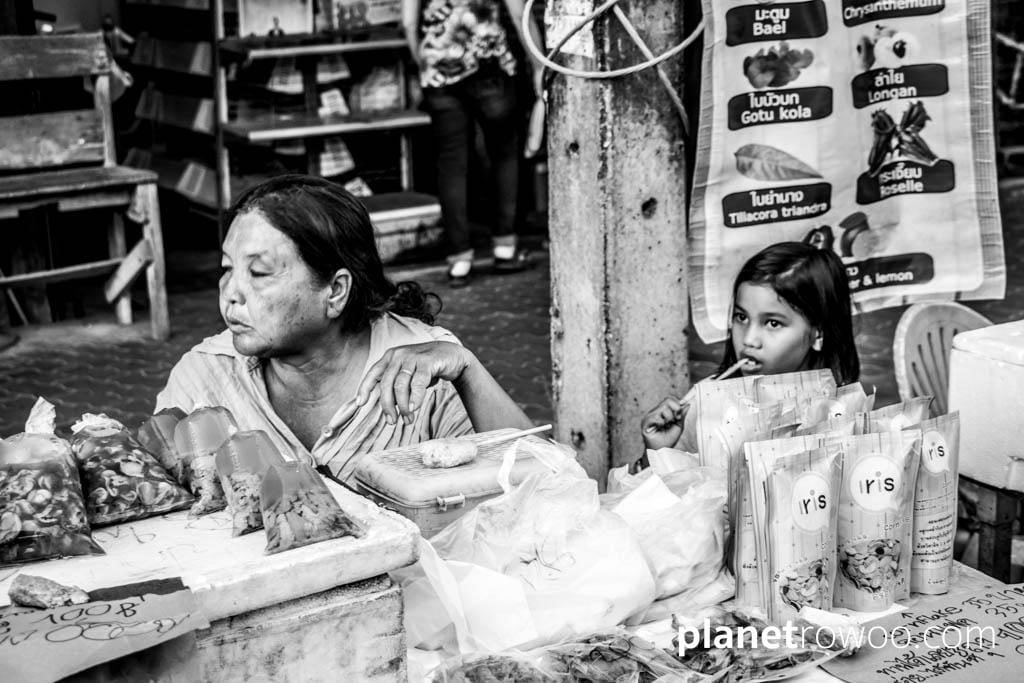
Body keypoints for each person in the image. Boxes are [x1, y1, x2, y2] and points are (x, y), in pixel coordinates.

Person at [155, 175, 533, 482]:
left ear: (335, 291)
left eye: (259, 272)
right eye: (227, 268)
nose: (231, 293)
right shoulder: (204, 377)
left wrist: (468, 371)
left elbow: (538, 486)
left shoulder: (428, 370)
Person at [641, 241, 860, 453]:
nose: (749, 339)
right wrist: (658, 453)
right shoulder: (707, 403)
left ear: (818, 332)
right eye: (741, 317)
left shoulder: (840, 412)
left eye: (772, 323)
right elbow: (670, 476)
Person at [402, 0, 545, 286]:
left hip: (440, 68)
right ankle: (505, 248)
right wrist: (539, 66)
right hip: (488, 64)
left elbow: (408, 22)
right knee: (504, 153)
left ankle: (459, 260)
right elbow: (520, 14)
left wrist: (426, 61)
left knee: (451, 162)